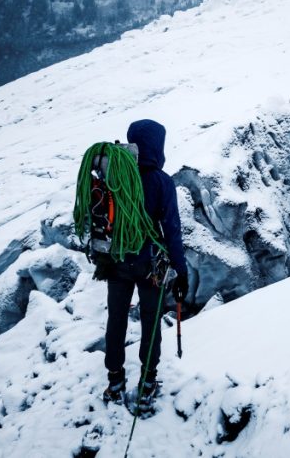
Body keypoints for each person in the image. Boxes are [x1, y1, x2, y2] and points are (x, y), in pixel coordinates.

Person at [102, 118, 189, 408]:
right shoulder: (161, 181)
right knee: (151, 322)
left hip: (116, 262)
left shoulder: (113, 175)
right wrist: (181, 271)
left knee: (117, 319)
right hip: (149, 264)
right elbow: (172, 230)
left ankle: (115, 380)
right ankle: (148, 380)